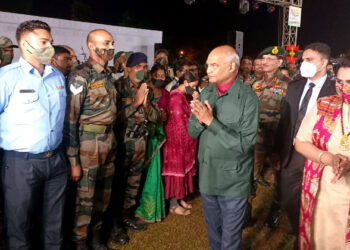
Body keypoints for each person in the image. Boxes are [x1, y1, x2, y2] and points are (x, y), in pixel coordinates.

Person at [0, 20, 67, 250]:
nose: (50, 46)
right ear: (25, 45)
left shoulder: (57, 76)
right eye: (44, 42)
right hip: (21, 164)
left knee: (54, 226)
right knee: (19, 226)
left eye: (51, 41)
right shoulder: (6, 77)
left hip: (56, 161)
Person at [187, 45, 259, 250]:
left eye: (214, 65)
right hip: (208, 178)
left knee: (230, 239)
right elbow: (191, 132)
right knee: (214, 235)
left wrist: (211, 121)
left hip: (234, 181)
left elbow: (245, 145)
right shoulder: (206, 92)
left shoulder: (248, 98)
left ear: (231, 67)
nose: (208, 70)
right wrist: (199, 120)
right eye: (208, 65)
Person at [273, 42, 336, 246]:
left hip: (319, 155)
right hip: (292, 153)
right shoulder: (295, 86)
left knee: (318, 202)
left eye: (309, 59)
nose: (303, 63)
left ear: (324, 62)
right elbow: (285, 120)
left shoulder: (335, 89)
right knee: (290, 197)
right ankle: (299, 231)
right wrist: (277, 151)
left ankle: (313, 238)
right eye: (303, 59)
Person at [64, 29, 117, 250]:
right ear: (92, 46)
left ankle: (96, 236)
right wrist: (73, 159)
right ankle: (80, 241)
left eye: (112, 42)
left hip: (109, 140)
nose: (111, 47)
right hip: (88, 143)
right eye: (107, 43)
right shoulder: (80, 75)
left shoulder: (108, 75)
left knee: (103, 195)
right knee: (85, 198)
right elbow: (71, 120)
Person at [294, 57, 350, 250]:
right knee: (320, 240)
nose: (343, 87)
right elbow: (301, 142)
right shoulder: (324, 105)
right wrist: (329, 158)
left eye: (349, 82)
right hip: (322, 193)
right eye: (339, 81)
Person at [107, 52, 160, 250]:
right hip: (122, 143)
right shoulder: (118, 86)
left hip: (140, 143)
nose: (142, 70)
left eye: (144, 67)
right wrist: (135, 103)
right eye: (138, 67)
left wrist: (146, 105)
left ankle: (126, 216)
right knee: (117, 185)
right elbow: (113, 117)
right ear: (128, 68)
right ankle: (114, 226)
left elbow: (155, 117)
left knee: (133, 183)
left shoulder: (148, 88)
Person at [251, 46, 291, 228]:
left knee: (279, 177)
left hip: (277, 141)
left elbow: (290, 117)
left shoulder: (288, 85)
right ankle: (245, 211)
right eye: (263, 58)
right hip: (256, 139)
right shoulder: (254, 83)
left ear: (280, 62)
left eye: (269, 58)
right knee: (250, 175)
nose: (264, 61)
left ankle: (274, 211)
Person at [135, 63, 169, 222]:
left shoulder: (164, 93)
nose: (160, 78)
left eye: (163, 76)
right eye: (158, 75)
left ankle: (151, 210)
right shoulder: (144, 89)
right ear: (151, 75)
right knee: (138, 174)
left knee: (153, 172)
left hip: (157, 136)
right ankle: (137, 209)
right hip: (142, 136)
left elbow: (163, 115)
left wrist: (163, 116)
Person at [162, 70, 199, 215]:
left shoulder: (182, 95)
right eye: (193, 86)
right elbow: (179, 124)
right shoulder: (176, 98)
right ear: (184, 83)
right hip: (175, 143)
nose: (194, 89)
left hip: (182, 141)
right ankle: (173, 204)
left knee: (182, 171)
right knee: (176, 173)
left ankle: (180, 198)